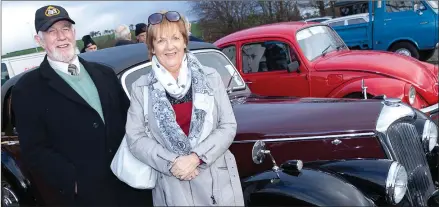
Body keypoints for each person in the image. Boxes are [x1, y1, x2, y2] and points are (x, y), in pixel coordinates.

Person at [12, 5, 150, 206]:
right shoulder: (27, 89)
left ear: (74, 33)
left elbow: (131, 118)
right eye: (51, 31)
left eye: (66, 28)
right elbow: (34, 149)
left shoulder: (104, 73)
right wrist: (74, 182)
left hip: (130, 185)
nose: (61, 36)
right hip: (85, 197)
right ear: (39, 40)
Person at [124, 10, 244, 206]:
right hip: (173, 186)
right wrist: (173, 163)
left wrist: (197, 157)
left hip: (217, 185)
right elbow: (135, 138)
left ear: (184, 42)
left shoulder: (211, 77)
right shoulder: (141, 87)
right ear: (152, 47)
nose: (169, 46)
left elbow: (228, 125)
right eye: (161, 40)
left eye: (175, 38)